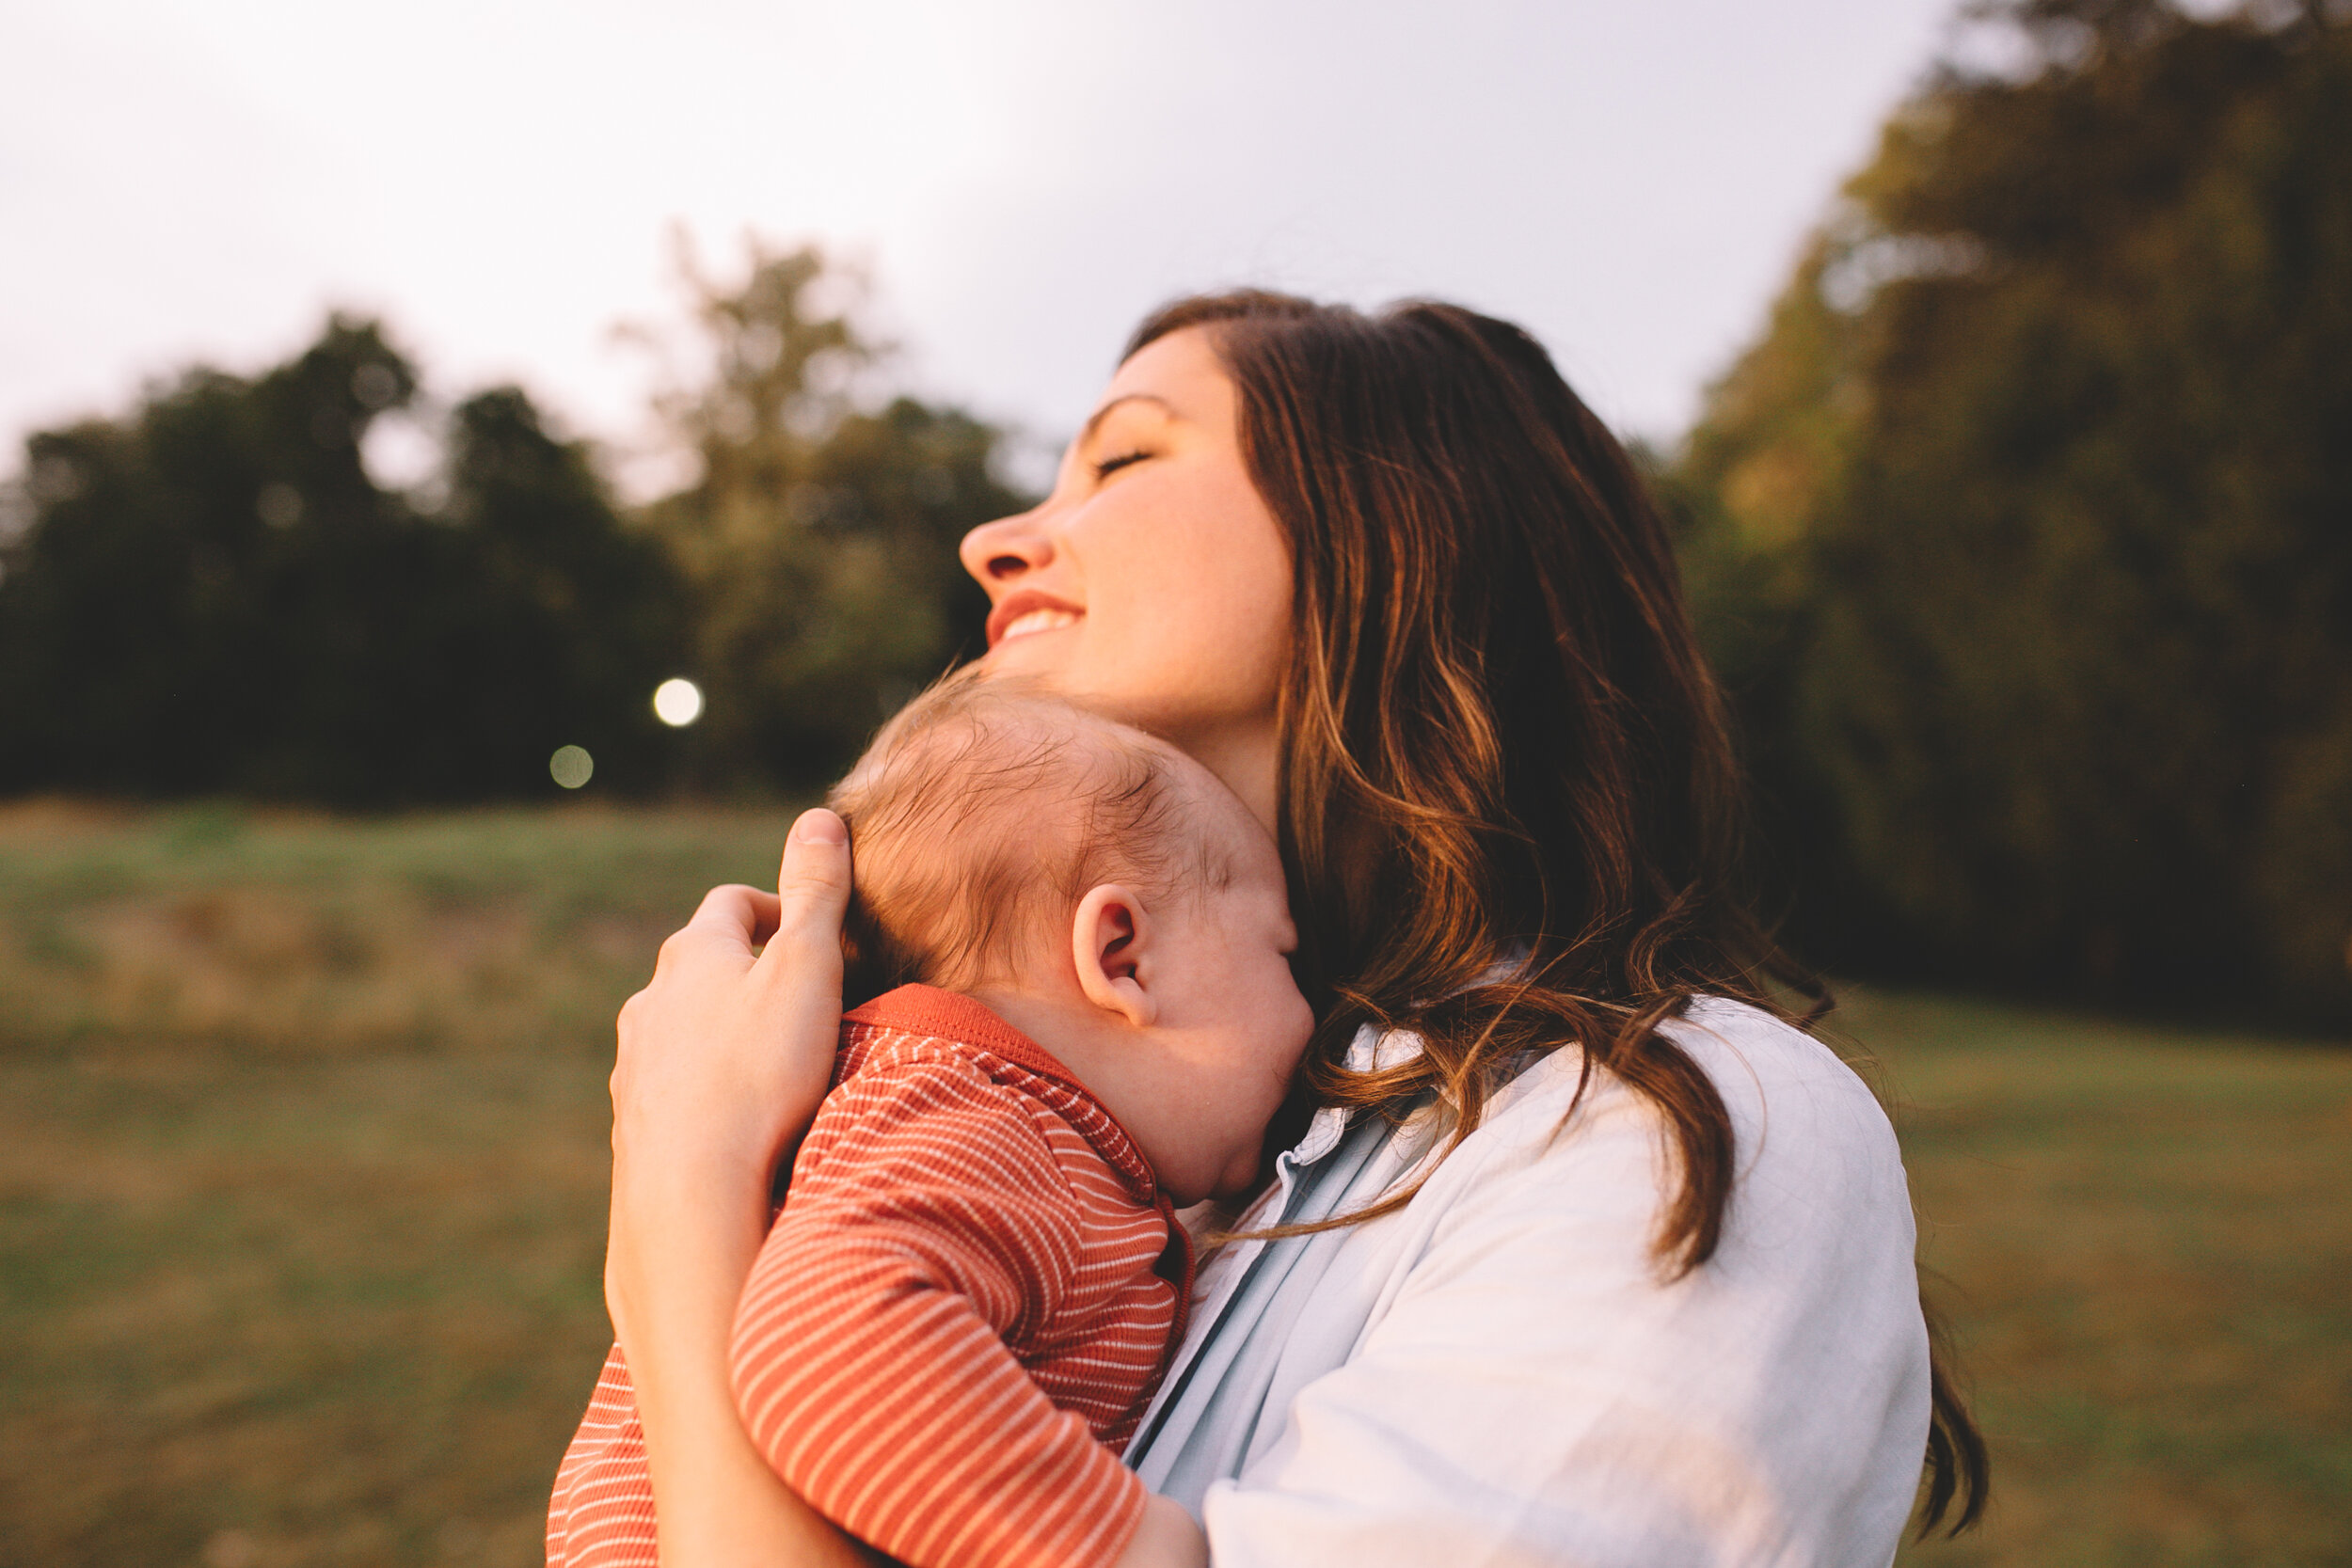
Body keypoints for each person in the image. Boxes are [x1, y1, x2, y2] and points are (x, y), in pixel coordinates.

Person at [597, 290, 1990, 1567]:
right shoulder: (1122, 1140)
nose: (991, 540)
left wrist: (685, 1198)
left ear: (1404, 530)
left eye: (1126, 459)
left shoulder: (1676, 1127)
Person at [550, 674, 1315, 1567]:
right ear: (1123, 956)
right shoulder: (991, 1121)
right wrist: (1119, 1544)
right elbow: (828, 1344)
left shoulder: (928, 1115)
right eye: (1283, 954)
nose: (1309, 1014)